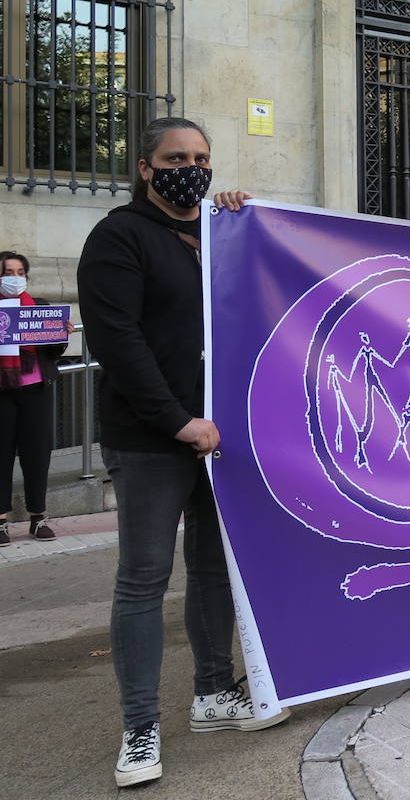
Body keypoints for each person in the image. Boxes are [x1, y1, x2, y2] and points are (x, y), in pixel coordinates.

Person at [77, 117, 288, 789]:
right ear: (145, 166)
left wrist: (245, 219)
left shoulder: (223, 234)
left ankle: (211, 693)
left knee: (212, 568)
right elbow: (119, 343)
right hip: (152, 441)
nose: (189, 168)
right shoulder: (118, 237)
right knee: (143, 577)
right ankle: (139, 728)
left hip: (219, 438)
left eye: (200, 157)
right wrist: (178, 423)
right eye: (175, 156)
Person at [0, 251, 71, 544]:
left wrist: (61, 335)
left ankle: (38, 517)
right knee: (1, 454)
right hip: (2, 393)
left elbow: (52, 353)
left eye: (20, 273)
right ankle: (1, 520)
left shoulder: (39, 307)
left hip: (36, 391)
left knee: (37, 455)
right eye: (8, 272)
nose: (15, 278)